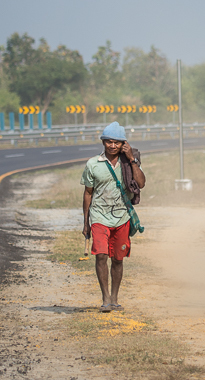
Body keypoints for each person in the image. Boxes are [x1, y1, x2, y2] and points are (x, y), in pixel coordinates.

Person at [81, 122, 146, 312]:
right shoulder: (93, 164)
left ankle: (115, 297)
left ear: (123, 144)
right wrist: (86, 222)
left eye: (116, 143)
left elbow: (141, 183)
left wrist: (132, 159)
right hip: (99, 216)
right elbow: (87, 193)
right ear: (103, 143)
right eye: (108, 142)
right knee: (101, 255)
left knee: (118, 259)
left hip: (121, 218)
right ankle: (105, 298)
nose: (112, 146)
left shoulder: (129, 163)